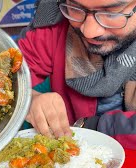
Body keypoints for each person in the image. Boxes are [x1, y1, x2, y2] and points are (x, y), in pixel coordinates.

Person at [18, 0, 136, 150]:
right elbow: (9, 71)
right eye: (76, 9)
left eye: (111, 13)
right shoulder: (53, 21)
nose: (89, 32)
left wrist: (91, 128)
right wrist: (28, 98)